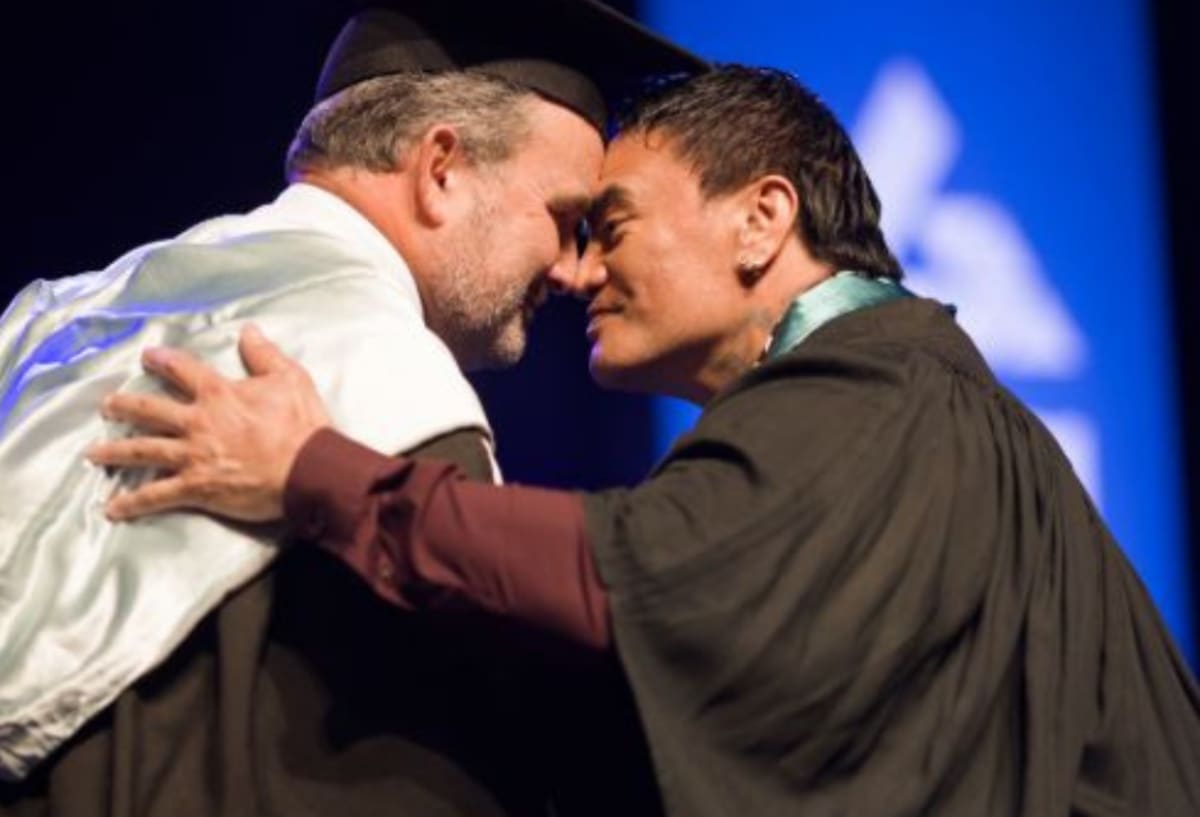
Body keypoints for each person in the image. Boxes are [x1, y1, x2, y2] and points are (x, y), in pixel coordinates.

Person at [90, 67, 1200, 816]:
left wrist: (309, 469)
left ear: (762, 220)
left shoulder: (884, 391)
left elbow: (621, 576)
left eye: (607, 225)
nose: (574, 272)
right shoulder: (934, 416)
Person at [0, 2, 705, 815]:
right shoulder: (386, 384)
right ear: (440, 169)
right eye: (565, 220)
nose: (571, 268)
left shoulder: (58, 317)